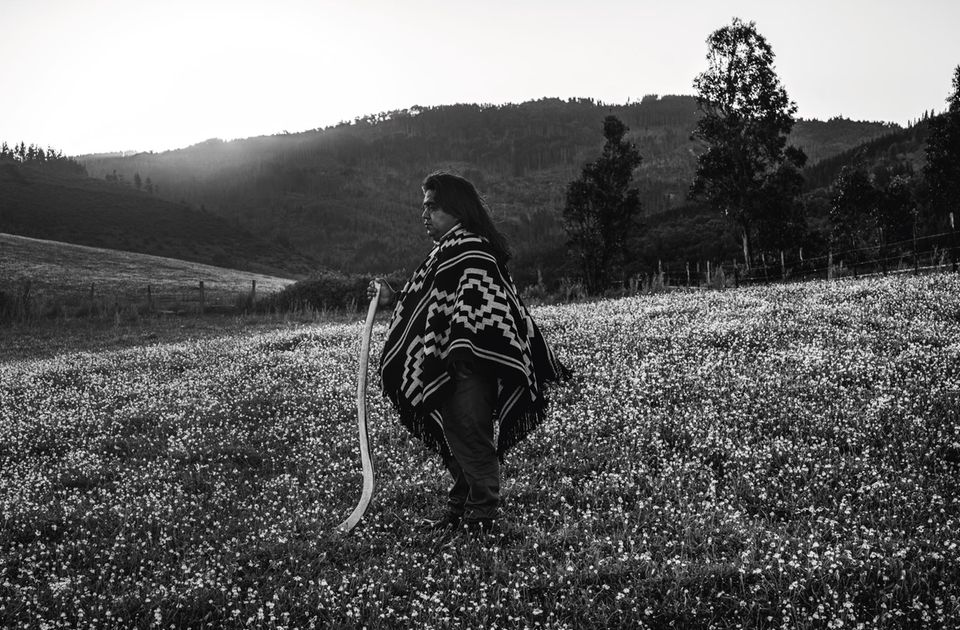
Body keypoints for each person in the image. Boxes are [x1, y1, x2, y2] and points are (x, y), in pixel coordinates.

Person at [367, 171, 570, 537]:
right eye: (423, 207)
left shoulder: (472, 250)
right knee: (456, 434)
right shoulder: (445, 251)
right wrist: (392, 299)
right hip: (449, 361)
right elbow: (429, 307)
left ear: (456, 209)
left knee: (470, 435)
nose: (424, 215)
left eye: (432, 207)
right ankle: (460, 507)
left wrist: (462, 355)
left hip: (470, 364)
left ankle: (481, 515)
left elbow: (482, 309)